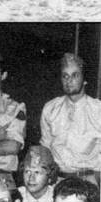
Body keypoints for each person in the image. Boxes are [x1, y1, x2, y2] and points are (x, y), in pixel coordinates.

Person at [40, 53, 101, 185]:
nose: (69, 80)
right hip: (58, 181)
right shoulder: (50, 108)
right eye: (65, 76)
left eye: (75, 75)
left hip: (89, 181)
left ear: (85, 79)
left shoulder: (98, 110)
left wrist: (96, 178)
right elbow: (45, 147)